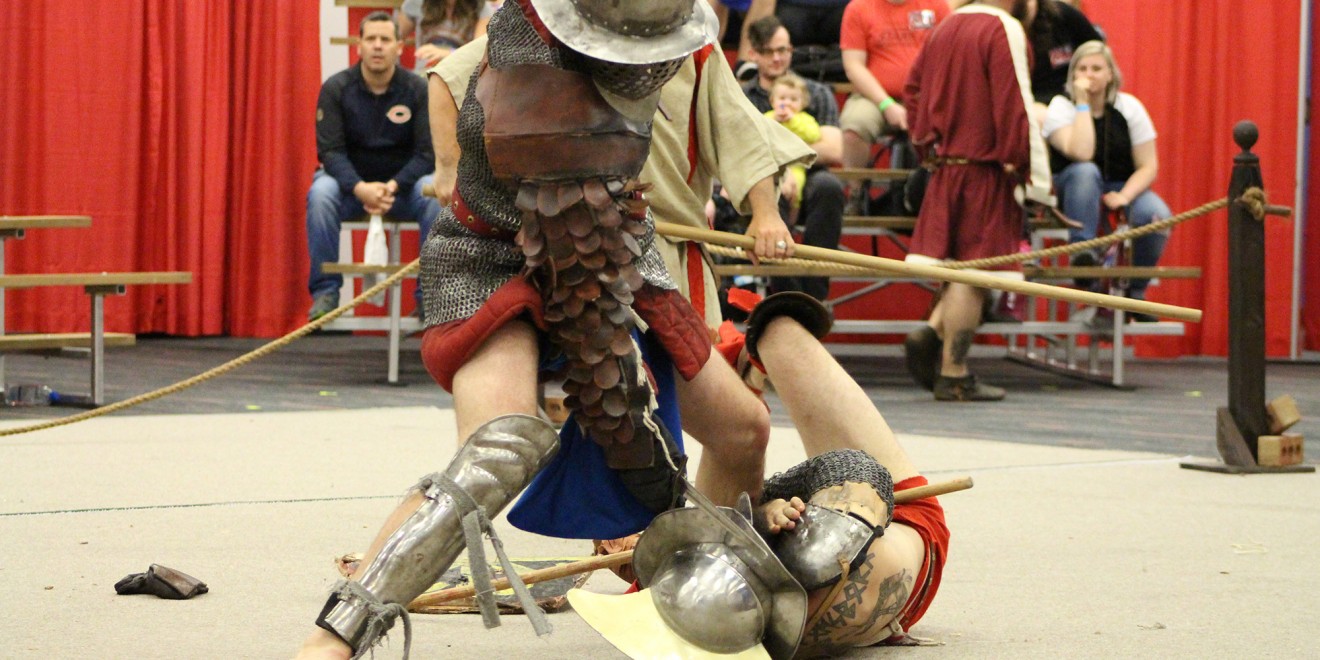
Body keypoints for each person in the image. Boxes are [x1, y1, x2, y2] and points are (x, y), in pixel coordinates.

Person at [295, 2, 775, 657]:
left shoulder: (660, 31)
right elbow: (451, 84)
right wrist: (447, 164)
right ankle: (333, 639)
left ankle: (693, 603)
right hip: (490, 257)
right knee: (497, 451)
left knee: (744, 428)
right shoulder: (530, 45)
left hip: (611, 248)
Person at [572, 291, 950, 657]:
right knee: (778, 334)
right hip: (902, 524)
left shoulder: (700, 541)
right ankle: (737, 378)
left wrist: (759, 513)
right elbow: (858, 479)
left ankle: (739, 372)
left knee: (777, 331)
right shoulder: (679, 607)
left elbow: (843, 475)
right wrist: (759, 518)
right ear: (609, 548)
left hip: (855, 504)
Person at [899, 0, 1054, 402]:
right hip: (986, 170)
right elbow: (1014, 104)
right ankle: (954, 374)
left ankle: (933, 331)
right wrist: (1027, 172)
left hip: (947, 167)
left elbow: (912, 91)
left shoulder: (944, 28)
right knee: (976, 275)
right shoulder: (1002, 29)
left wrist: (925, 146)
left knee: (960, 270)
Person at [306, 12, 440, 321]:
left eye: (385, 39)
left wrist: (392, 185)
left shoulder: (419, 89)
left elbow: (427, 153)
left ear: (399, 47)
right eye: (371, 39)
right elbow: (330, 153)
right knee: (321, 193)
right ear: (359, 46)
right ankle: (326, 293)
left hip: (403, 191)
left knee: (433, 194)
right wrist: (360, 188)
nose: (378, 46)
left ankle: (429, 297)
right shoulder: (335, 88)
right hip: (349, 190)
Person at [1042, 40, 1171, 313]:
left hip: (1121, 185)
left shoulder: (1130, 108)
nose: (1089, 75)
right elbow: (1082, 152)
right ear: (1072, 75)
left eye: (1096, 69)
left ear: (1110, 74)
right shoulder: (1061, 107)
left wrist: (1124, 196)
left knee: (1156, 215)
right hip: (1075, 186)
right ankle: (1083, 258)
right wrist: (1082, 105)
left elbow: (1148, 165)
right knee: (1086, 171)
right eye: (1082, 69)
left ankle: (1135, 291)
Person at [742, 15, 845, 301]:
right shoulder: (743, 98)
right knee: (770, 196)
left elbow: (834, 150)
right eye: (769, 52)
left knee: (830, 188)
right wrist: (784, 165)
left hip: (810, 174)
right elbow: (740, 152)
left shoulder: (817, 93)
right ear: (753, 54)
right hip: (761, 178)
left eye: (783, 50)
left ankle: (815, 297)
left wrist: (782, 155)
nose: (777, 58)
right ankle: (791, 297)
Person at [838, 0, 951, 169]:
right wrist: (886, 104)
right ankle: (854, 185)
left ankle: (934, 182)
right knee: (854, 126)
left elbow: (950, 56)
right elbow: (853, 66)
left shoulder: (936, 5)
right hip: (873, 98)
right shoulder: (858, 8)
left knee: (950, 124)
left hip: (926, 97)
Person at [1023, 0, 1103, 117]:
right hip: (1035, 104)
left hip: (1073, 97)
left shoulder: (1061, 14)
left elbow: (1097, 48)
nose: (1026, 5)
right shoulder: (1005, 30)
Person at [396, 0, 495, 74]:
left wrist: (448, 54)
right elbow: (394, 39)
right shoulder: (416, 3)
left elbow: (479, 53)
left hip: (460, 75)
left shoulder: (481, 7)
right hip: (424, 73)